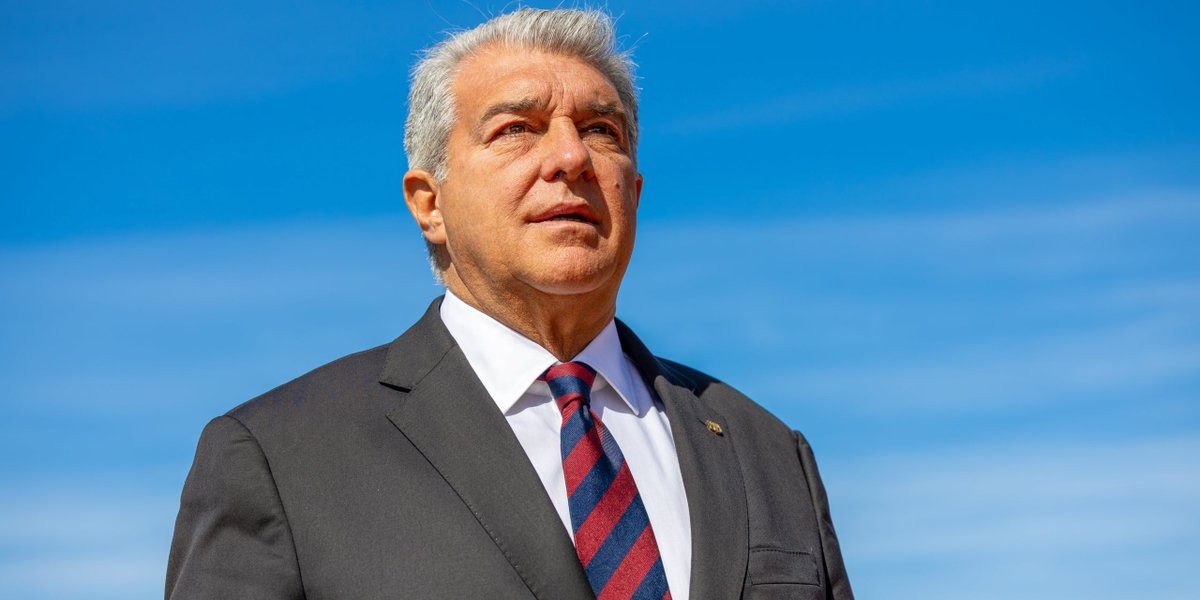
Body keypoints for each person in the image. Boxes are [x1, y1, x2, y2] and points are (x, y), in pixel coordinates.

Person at [166, 8, 854, 600]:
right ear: (429, 204)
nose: (571, 157)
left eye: (601, 130)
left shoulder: (769, 452)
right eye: (517, 128)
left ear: (635, 194)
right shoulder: (280, 457)